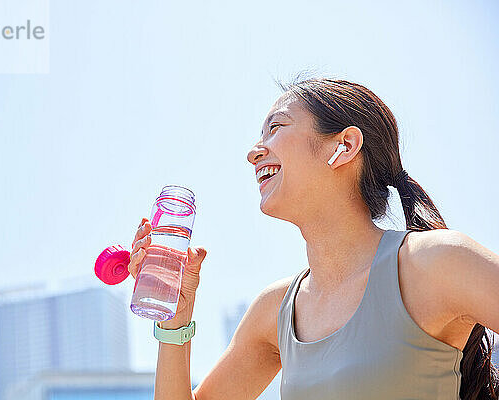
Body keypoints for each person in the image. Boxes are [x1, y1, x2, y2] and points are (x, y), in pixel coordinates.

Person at [127, 77, 499, 400]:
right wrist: (175, 317)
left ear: (344, 147)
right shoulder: (274, 310)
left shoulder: (436, 262)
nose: (254, 152)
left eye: (276, 128)